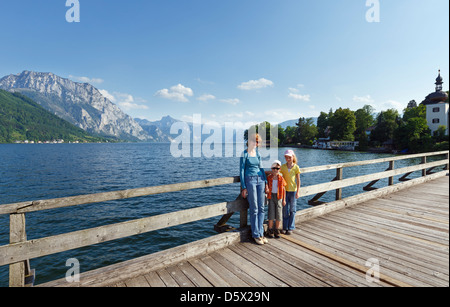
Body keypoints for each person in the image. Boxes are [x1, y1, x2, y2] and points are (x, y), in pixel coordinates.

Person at [240, 133, 269, 245]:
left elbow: (261, 168)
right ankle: (255, 234)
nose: (256, 143)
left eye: (258, 142)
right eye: (254, 141)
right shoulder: (245, 154)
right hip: (250, 180)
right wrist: (244, 187)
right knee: (254, 208)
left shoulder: (257, 153)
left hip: (260, 180)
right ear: (250, 141)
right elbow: (241, 171)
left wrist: (266, 182)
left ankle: (261, 233)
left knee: (262, 208)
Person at [280, 149, 301, 235]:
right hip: (285, 191)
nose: (288, 159)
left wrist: (298, 192)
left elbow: (298, 180)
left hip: (293, 191)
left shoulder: (296, 167)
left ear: (293, 157)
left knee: (292, 210)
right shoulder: (283, 167)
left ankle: (291, 227)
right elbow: (277, 174)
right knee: (285, 210)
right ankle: (285, 227)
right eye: (286, 157)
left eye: (289, 157)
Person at [266, 160, 286, 239]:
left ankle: (277, 229)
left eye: (277, 169)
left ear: (279, 169)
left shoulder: (281, 178)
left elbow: (284, 189)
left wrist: (284, 199)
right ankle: (270, 229)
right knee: (271, 213)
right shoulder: (269, 177)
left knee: (278, 214)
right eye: (273, 168)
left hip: (279, 197)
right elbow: (266, 182)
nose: (275, 170)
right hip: (271, 196)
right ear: (271, 168)